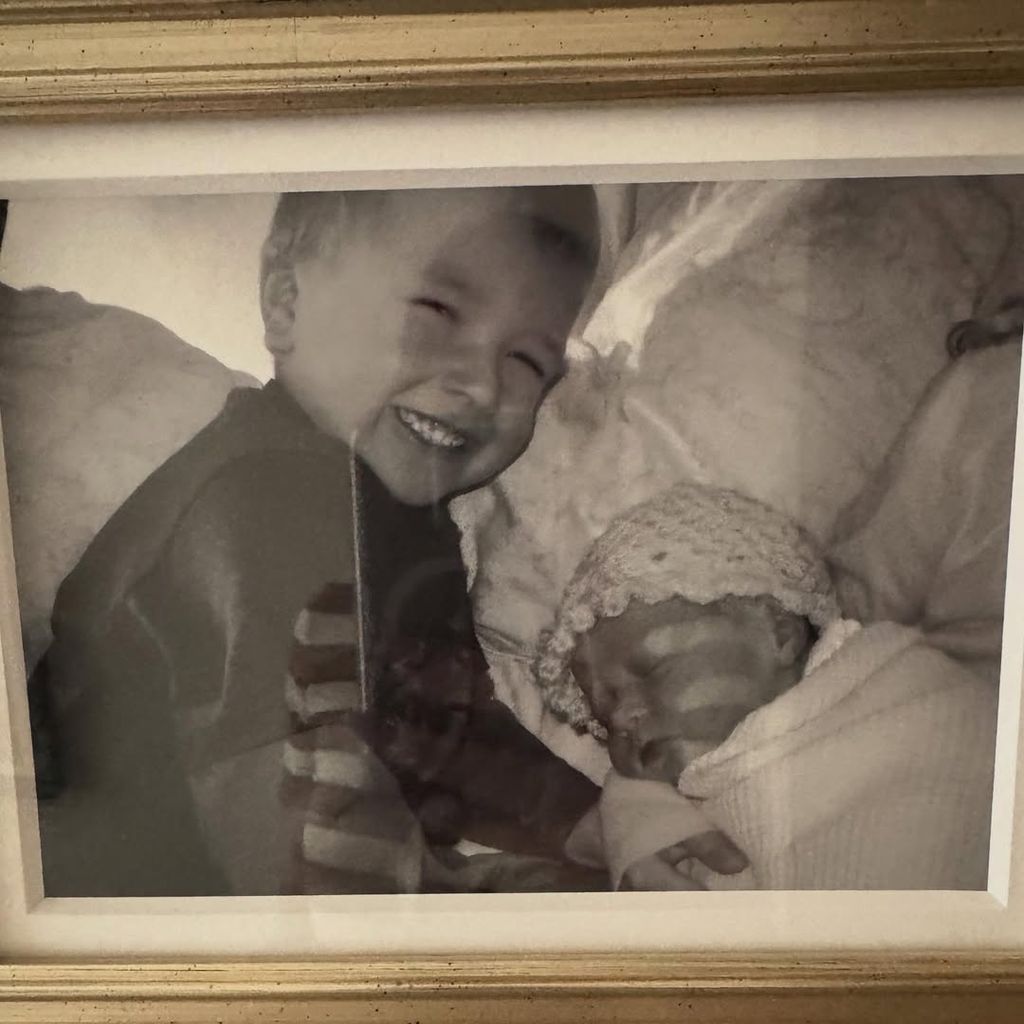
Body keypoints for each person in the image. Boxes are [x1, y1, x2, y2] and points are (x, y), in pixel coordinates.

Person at [33, 185, 606, 896]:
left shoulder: (406, 520)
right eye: (435, 312)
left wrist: (598, 822)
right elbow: (283, 820)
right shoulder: (266, 489)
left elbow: (440, 732)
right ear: (286, 302)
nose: (482, 386)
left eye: (527, 362)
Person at [535, 482, 998, 891]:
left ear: (778, 633)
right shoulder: (682, 786)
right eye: (601, 714)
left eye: (652, 671)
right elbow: (637, 790)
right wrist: (635, 816)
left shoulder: (913, 700)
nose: (619, 719)